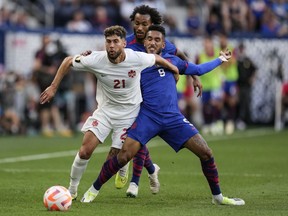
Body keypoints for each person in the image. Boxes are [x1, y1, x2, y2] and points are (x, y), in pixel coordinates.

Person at [81, 25, 245, 206]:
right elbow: (111, 56)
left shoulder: (172, 60)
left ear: (163, 44)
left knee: (206, 153)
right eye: (149, 39)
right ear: (145, 41)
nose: (152, 42)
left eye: (157, 40)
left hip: (173, 119)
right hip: (147, 117)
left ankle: (218, 197)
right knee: (122, 157)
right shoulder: (135, 61)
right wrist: (90, 55)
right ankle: (93, 189)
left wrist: (220, 59)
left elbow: (198, 69)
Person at [39, 25, 179, 201]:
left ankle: (121, 169)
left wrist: (174, 69)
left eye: (115, 42)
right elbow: (68, 61)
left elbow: (157, 58)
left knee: (116, 157)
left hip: (129, 114)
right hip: (105, 111)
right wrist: (53, 87)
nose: (111, 45)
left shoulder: (136, 58)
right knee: (85, 151)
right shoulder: (96, 59)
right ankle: (71, 190)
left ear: (123, 43)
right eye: (108, 42)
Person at [121, 4, 203, 197]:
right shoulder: (127, 43)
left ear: (152, 25)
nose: (140, 28)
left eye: (145, 24)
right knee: (134, 138)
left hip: (152, 97)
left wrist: (194, 76)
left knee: (138, 137)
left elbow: (181, 55)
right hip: (131, 94)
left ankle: (134, 182)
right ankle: (150, 169)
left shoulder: (158, 42)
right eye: (137, 23)